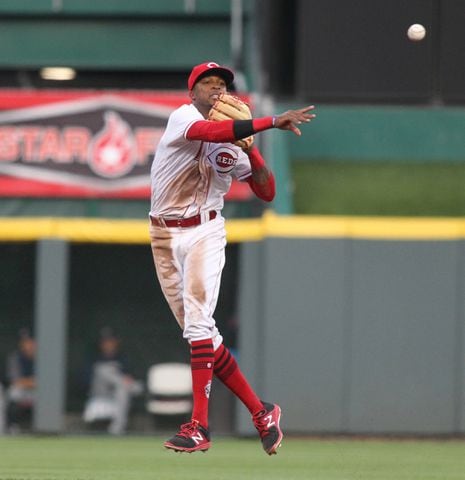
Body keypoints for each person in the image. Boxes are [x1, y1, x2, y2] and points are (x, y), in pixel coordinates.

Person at [149, 61, 316, 454]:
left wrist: (253, 154)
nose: (215, 90)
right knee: (202, 333)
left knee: (199, 327)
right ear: (193, 93)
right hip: (163, 234)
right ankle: (262, 412)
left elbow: (267, 191)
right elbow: (212, 131)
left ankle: (199, 426)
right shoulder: (183, 117)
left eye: (221, 84)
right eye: (207, 84)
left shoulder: (233, 143)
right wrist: (269, 122)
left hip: (205, 230)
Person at [82, 327, 143, 435]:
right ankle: (125, 384)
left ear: (116, 342)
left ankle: (117, 429)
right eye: (105, 342)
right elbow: (84, 380)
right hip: (100, 392)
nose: (108, 344)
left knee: (122, 390)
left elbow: (133, 374)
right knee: (101, 369)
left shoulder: (123, 358)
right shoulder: (94, 358)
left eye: (110, 341)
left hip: (118, 393)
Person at [5, 328, 36, 433]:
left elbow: (48, 381)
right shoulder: (15, 357)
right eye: (25, 342)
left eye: (30, 341)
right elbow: (15, 381)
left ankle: (45, 426)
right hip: (23, 390)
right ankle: (12, 426)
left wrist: (29, 382)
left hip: (38, 392)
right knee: (13, 392)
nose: (28, 345)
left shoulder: (44, 357)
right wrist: (32, 381)